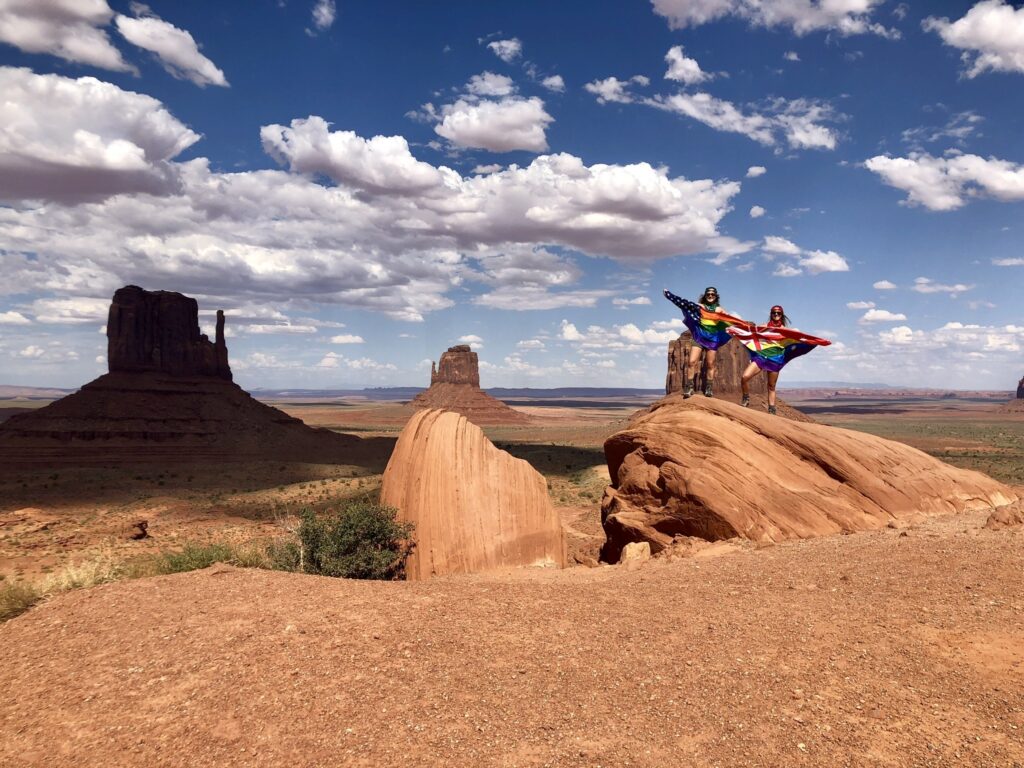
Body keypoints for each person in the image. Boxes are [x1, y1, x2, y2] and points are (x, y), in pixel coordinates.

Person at [663, 286, 736, 399]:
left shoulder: (719, 310)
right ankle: (690, 387)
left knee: (710, 364)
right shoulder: (700, 307)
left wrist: (742, 327)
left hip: (712, 340)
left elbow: (731, 321)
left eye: (712, 294)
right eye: (708, 294)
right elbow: (684, 304)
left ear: (716, 296)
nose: (710, 296)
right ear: (705, 296)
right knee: (691, 362)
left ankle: (709, 388)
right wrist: (670, 296)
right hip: (699, 337)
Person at [740, 305, 790, 415]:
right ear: (771, 314)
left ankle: (771, 409)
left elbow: (792, 342)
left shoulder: (785, 330)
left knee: (771, 386)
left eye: (778, 313)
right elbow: (752, 334)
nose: (776, 315)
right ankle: (746, 398)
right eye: (774, 313)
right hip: (762, 356)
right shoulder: (764, 326)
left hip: (775, 359)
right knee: (744, 377)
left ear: (782, 315)